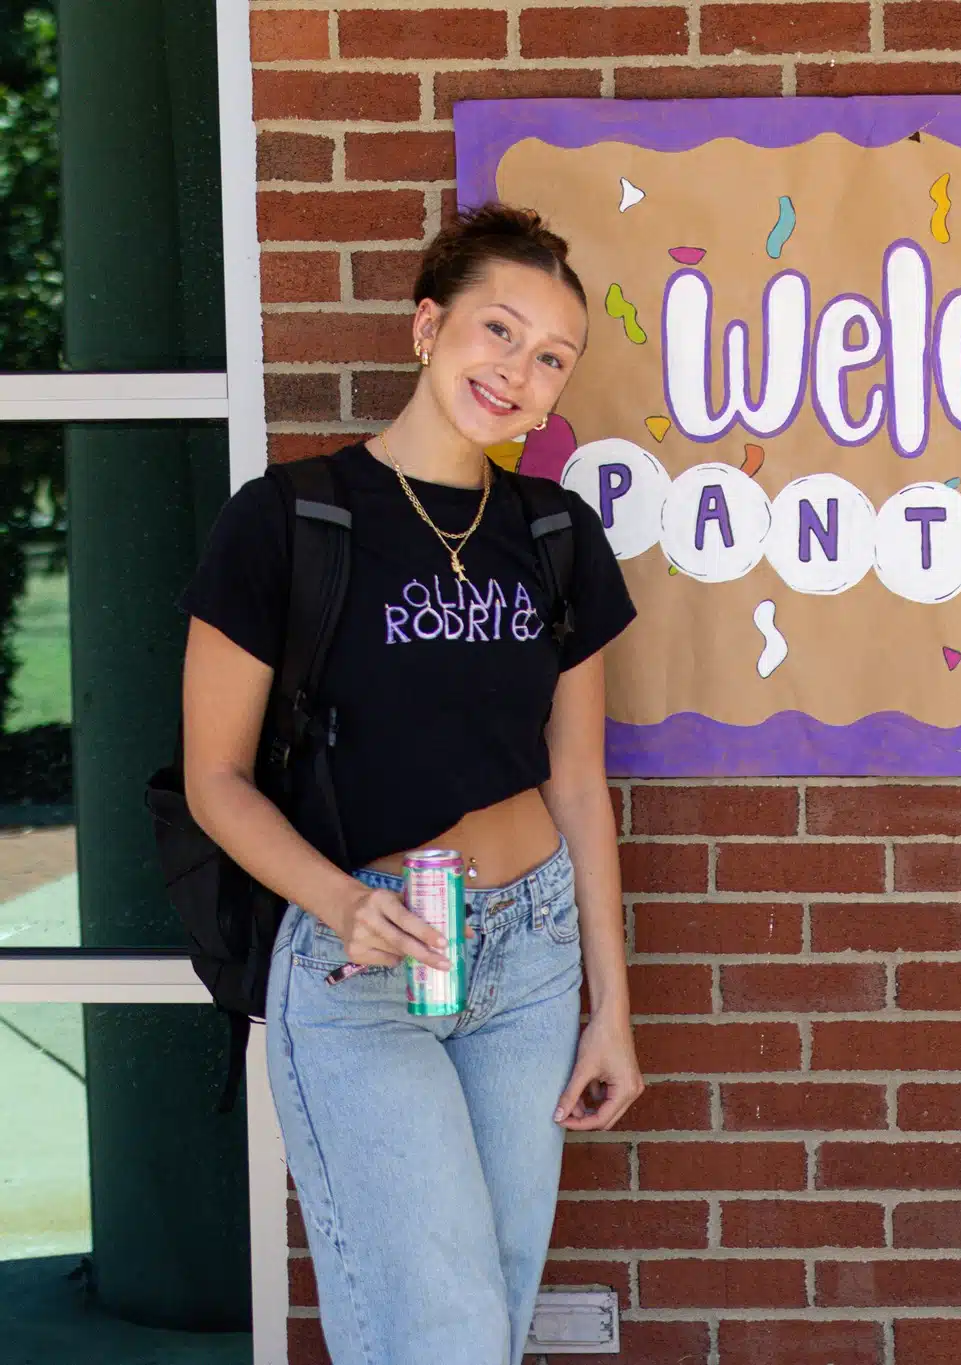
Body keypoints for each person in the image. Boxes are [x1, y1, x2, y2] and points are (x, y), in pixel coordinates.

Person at [180, 205, 642, 1364]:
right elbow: (215, 779)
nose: (518, 372)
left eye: (550, 359)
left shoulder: (555, 534)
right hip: (364, 958)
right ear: (428, 326)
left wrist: (610, 1008)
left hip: (530, 955)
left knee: (489, 1301)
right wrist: (336, 899)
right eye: (498, 331)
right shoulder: (290, 520)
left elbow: (578, 784)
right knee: (432, 1330)